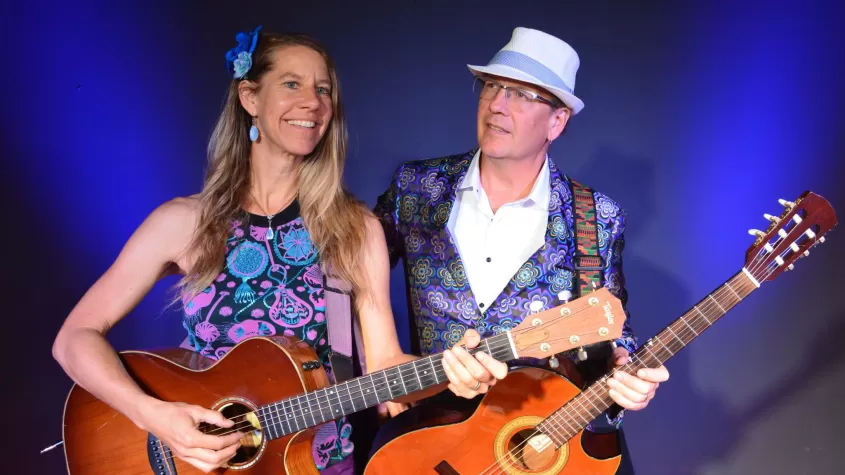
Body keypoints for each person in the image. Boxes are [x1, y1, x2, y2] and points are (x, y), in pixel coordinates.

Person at [52, 26, 504, 474]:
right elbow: (74, 339)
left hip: (316, 463)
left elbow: (384, 366)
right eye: (292, 84)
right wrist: (154, 416)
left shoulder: (354, 228)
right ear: (250, 97)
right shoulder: (184, 222)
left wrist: (452, 371)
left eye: (323, 89)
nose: (313, 102)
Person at [371, 27, 670, 473]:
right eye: (492, 86)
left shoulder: (597, 217)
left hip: (534, 449)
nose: (497, 104)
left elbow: (610, 327)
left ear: (557, 121)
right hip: (433, 448)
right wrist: (382, 367)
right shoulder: (416, 188)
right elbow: (347, 280)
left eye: (523, 95)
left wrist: (629, 373)